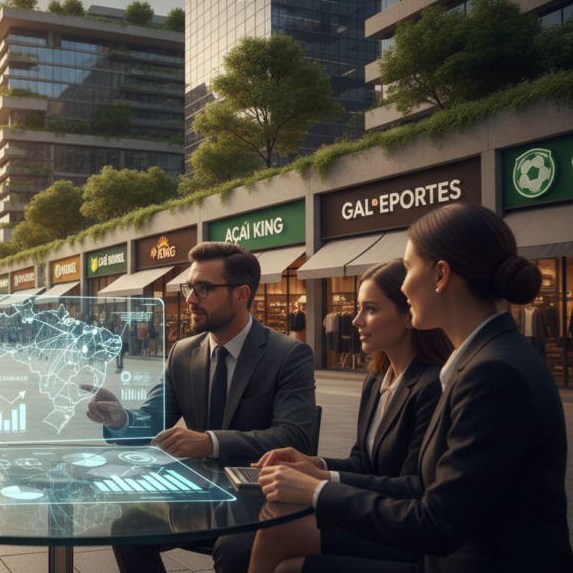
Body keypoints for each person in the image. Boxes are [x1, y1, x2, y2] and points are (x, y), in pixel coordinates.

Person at [257, 204, 573, 573]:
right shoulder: (486, 359)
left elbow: (437, 522)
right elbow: (423, 488)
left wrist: (316, 492)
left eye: (407, 268)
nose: (403, 284)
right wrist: (321, 478)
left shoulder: (493, 372)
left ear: (441, 275)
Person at [83, 242, 317, 573]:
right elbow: (153, 419)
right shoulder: (182, 352)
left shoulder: (288, 355)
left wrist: (210, 441)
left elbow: (295, 437)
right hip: (195, 493)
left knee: (234, 549)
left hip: (261, 497)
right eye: (189, 287)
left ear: (241, 294)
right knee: (127, 529)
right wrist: (120, 417)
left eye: (203, 288)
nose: (191, 298)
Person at [247, 258, 452, 573]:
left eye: (370, 309)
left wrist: (320, 482)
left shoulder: (431, 387)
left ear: (408, 315)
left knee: (280, 537)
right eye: (359, 308)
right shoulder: (376, 379)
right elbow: (362, 462)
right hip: (371, 513)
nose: (356, 320)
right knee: (275, 522)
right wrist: (316, 464)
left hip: (404, 534)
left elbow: (415, 487)